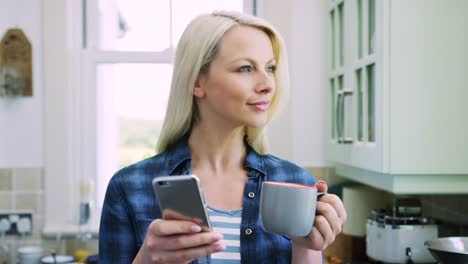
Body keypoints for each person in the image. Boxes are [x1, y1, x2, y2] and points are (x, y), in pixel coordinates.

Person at [99, 10, 347, 264]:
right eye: (245, 68)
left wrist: (306, 247)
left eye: (270, 68)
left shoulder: (295, 183)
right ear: (197, 82)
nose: (268, 84)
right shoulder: (128, 187)